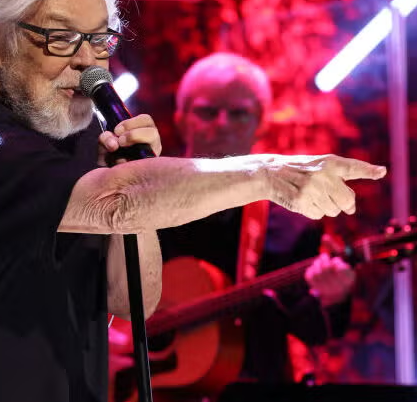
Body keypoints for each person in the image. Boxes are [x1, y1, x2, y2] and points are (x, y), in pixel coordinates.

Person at [0, 0, 384, 402]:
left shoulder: (78, 143)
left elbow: (133, 301)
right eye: (60, 37)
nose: (86, 62)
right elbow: (118, 201)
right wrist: (267, 173)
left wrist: (129, 174)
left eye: (98, 39)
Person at [149, 52, 357, 398]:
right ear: (181, 119)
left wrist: (332, 298)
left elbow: (311, 328)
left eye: (239, 113)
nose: (222, 124)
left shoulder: (291, 222)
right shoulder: (143, 203)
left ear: (260, 123)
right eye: (207, 111)